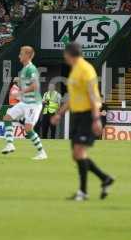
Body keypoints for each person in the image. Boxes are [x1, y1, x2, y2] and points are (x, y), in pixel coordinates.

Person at [51, 42, 114, 201]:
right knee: (76, 155)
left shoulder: (86, 70)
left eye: (65, 54)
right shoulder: (75, 71)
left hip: (87, 115)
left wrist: (96, 118)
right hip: (77, 116)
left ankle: (83, 192)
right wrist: (60, 113)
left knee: (79, 153)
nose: (64, 56)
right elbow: (74, 97)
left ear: (69, 54)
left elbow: (93, 96)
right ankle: (104, 179)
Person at [1, 46, 47, 160]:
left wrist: (21, 92)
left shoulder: (31, 69)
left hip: (33, 104)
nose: (19, 56)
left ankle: (42, 152)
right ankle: (10, 144)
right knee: (7, 117)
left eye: (21, 54)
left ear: (27, 55)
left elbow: (35, 85)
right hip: (25, 102)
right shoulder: (23, 70)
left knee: (28, 129)